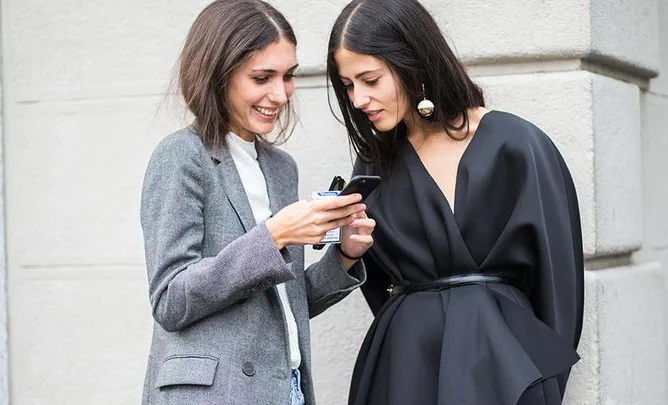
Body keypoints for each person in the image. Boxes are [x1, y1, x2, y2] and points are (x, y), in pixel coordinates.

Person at [326, 1, 584, 404]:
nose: (358, 99)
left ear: (412, 62)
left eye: (370, 79)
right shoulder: (376, 162)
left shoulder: (516, 146)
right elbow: (377, 284)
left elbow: (559, 284)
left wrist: (542, 381)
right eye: (348, 85)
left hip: (501, 367)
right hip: (404, 366)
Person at [140, 1, 374, 404]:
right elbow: (170, 299)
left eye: (288, 76)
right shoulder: (182, 156)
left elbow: (281, 306)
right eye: (262, 77)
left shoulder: (281, 168)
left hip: (285, 390)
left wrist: (345, 258)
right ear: (219, 74)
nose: (280, 94)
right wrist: (274, 235)